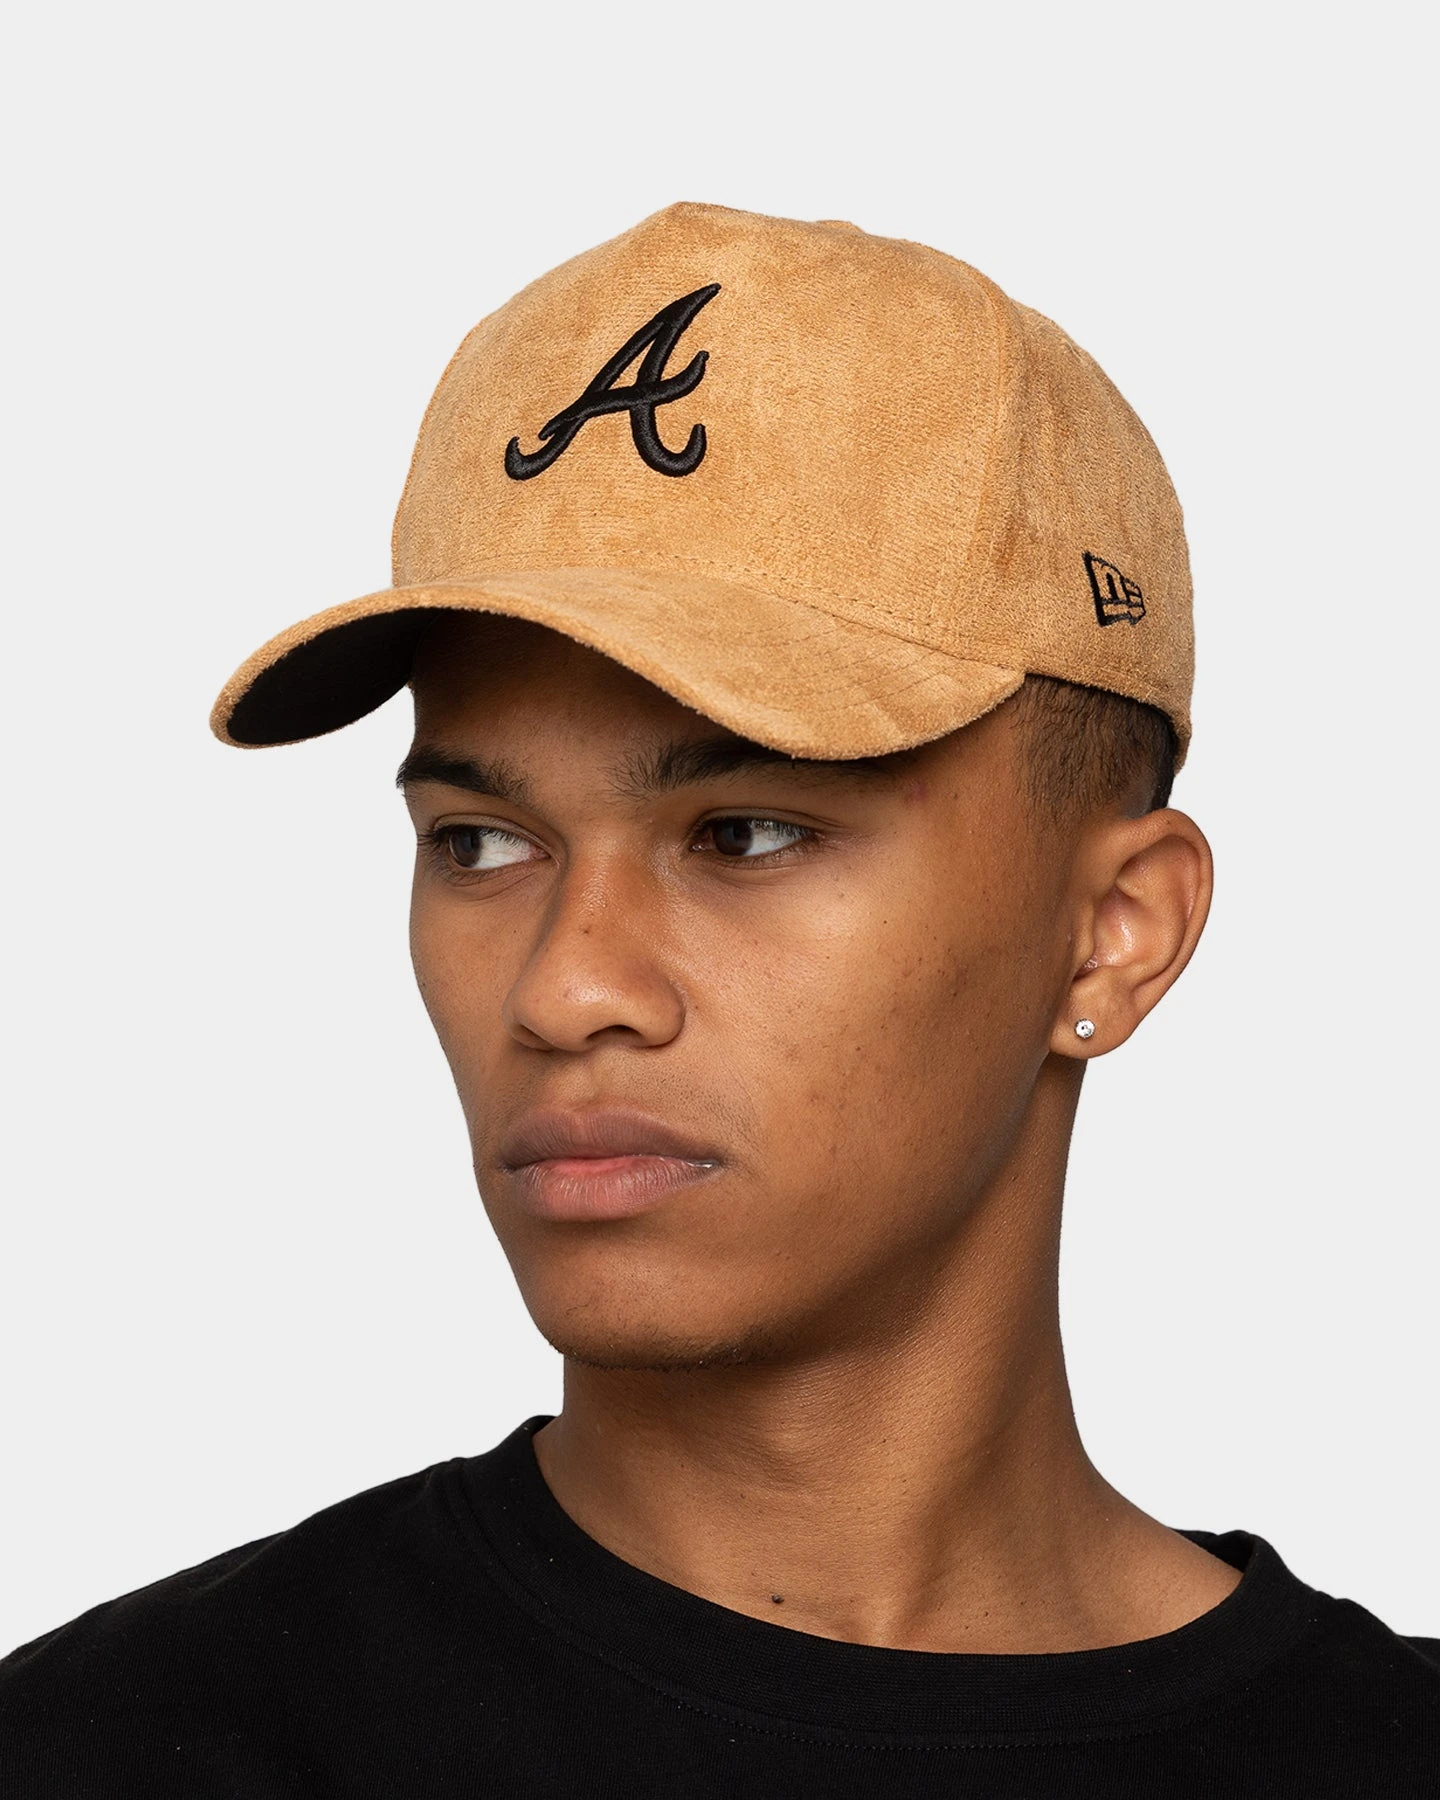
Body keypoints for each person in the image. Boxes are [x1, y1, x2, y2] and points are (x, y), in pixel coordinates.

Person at [2, 202, 1434, 1797]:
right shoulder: (103, 1751)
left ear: (1113, 934)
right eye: (480, 842)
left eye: (747, 833)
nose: (564, 988)